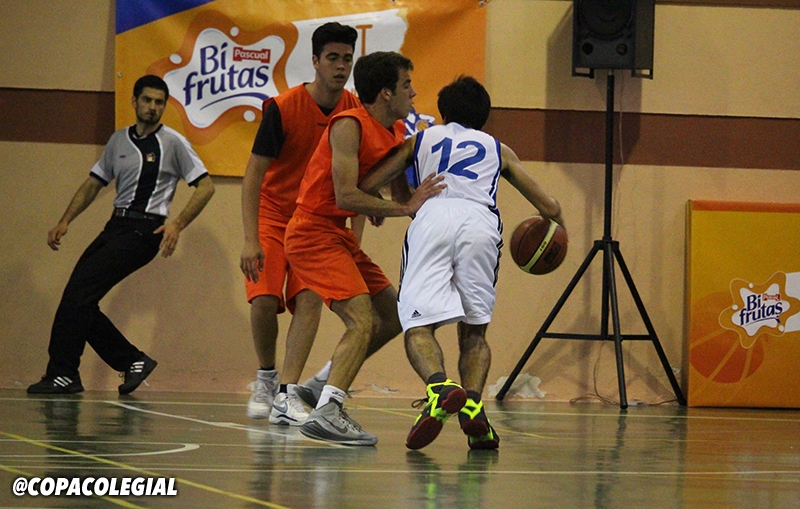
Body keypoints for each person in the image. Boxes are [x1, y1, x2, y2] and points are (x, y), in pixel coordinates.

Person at [359, 76, 564, 450]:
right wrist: (556, 237)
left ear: (443, 112)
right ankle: (473, 406)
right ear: (484, 117)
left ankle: (439, 388)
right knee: (474, 332)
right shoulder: (499, 149)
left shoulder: (420, 140)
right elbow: (548, 207)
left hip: (433, 217)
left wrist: (393, 202)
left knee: (418, 325)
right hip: (480, 224)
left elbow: (370, 182)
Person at [284, 51, 446, 446]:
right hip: (311, 232)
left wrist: (412, 203)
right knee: (362, 320)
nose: (414, 92)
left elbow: (390, 191)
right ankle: (328, 412)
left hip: (336, 234)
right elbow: (345, 195)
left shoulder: (394, 132)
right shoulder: (349, 124)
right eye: (407, 85)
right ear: (386, 92)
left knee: (394, 315)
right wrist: (399, 207)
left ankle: (320, 386)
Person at [28, 74, 215, 395]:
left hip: (144, 230)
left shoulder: (172, 142)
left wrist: (177, 224)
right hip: (116, 226)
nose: (153, 107)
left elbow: (206, 187)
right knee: (77, 298)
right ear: (135, 102)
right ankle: (128, 361)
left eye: (159, 102)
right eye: (147, 100)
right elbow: (93, 184)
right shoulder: (118, 141)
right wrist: (65, 220)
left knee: (79, 297)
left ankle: (65, 373)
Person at [239, 22, 363, 424]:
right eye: (333, 58)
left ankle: (286, 394)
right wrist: (250, 238)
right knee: (264, 299)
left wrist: (354, 240)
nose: (341, 66)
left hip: (318, 221)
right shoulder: (283, 107)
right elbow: (253, 176)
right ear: (314, 61)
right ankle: (266, 377)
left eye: (347, 58)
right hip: (274, 215)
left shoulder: (355, 112)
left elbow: (358, 182)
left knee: (309, 300)